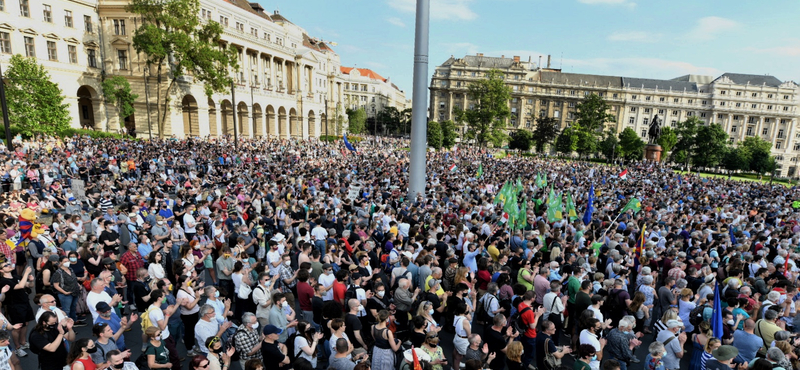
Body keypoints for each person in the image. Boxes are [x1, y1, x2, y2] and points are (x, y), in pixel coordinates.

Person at [0, 259, 35, 357]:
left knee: (26, 323)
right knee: (17, 327)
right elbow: (19, 286)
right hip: (14, 305)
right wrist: (26, 273)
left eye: (8, 264)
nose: (9, 265)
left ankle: (23, 342)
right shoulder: (3, 281)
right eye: (5, 265)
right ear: (1, 270)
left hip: (25, 302)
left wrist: (31, 281)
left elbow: (28, 285)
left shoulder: (16, 276)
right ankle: (17, 347)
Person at [518, 291, 546, 370]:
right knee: (530, 354)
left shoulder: (521, 304)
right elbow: (533, 326)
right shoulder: (529, 311)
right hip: (530, 334)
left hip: (523, 332)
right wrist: (537, 315)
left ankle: (523, 362)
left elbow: (526, 316)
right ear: (532, 299)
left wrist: (535, 312)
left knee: (524, 350)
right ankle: (524, 366)